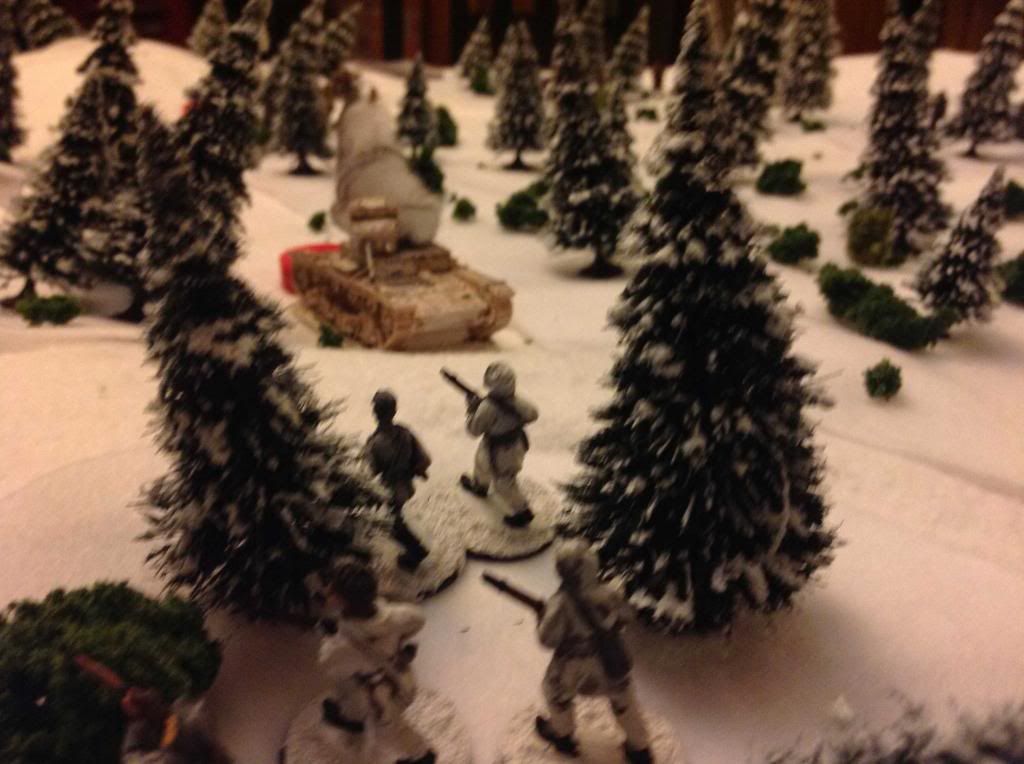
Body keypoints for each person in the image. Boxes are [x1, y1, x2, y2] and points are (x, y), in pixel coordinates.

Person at [534, 541, 653, 764]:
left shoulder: (560, 603)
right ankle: (640, 747)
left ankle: (562, 734)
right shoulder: (608, 593)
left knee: (555, 693)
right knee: (623, 700)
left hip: (572, 664)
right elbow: (628, 615)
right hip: (608, 658)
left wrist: (542, 618)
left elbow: (547, 639)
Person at [319, 561, 436, 764]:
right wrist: (398, 643)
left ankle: (422, 755)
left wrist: (328, 636)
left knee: (390, 731)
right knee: (348, 696)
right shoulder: (396, 615)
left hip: (379, 693)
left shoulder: (344, 644)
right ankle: (348, 716)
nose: (327, 590)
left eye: (332, 589)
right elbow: (418, 619)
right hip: (397, 673)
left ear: (342, 601)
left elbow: (327, 664)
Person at [459, 362, 538, 528]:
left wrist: (472, 411)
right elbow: (533, 414)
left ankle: (522, 511)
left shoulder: (488, 407)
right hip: (515, 444)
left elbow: (474, 430)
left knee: (504, 481)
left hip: (499, 450)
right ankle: (480, 485)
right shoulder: (517, 401)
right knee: (481, 464)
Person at [364, 389, 431, 571]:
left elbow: (369, 471)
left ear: (375, 413)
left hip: (390, 488)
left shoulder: (373, 443)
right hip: (408, 485)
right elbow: (424, 459)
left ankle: (416, 552)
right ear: (394, 410)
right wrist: (415, 469)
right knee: (399, 518)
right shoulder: (405, 432)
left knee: (391, 523)